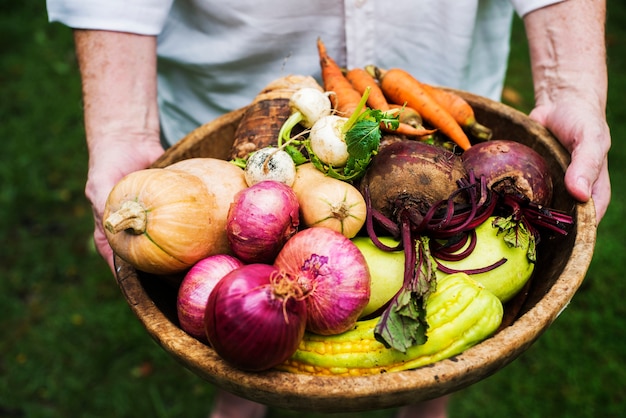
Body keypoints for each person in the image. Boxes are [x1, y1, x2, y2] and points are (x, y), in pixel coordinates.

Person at [46, 0, 611, 417]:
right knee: (225, 268)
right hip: (246, 111)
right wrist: (123, 126)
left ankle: (427, 397)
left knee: (262, 284)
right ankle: (236, 385)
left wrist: (570, 86)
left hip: (439, 93)